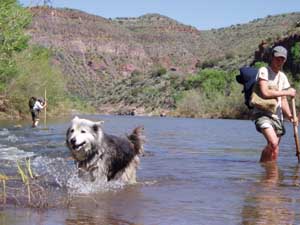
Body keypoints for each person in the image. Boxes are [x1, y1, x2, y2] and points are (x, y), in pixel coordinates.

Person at [253, 46, 297, 163]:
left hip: (277, 117)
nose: (279, 61)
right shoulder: (264, 71)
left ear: (285, 60)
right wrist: (288, 92)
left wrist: (290, 116)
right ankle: (263, 167)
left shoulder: (283, 77)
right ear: (272, 57)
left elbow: (283, 100)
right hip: (262, 114)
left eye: (282, 59)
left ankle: (269, 171)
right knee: (273, 143)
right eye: (277, 58)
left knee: (275, 149)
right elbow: (265, 92)